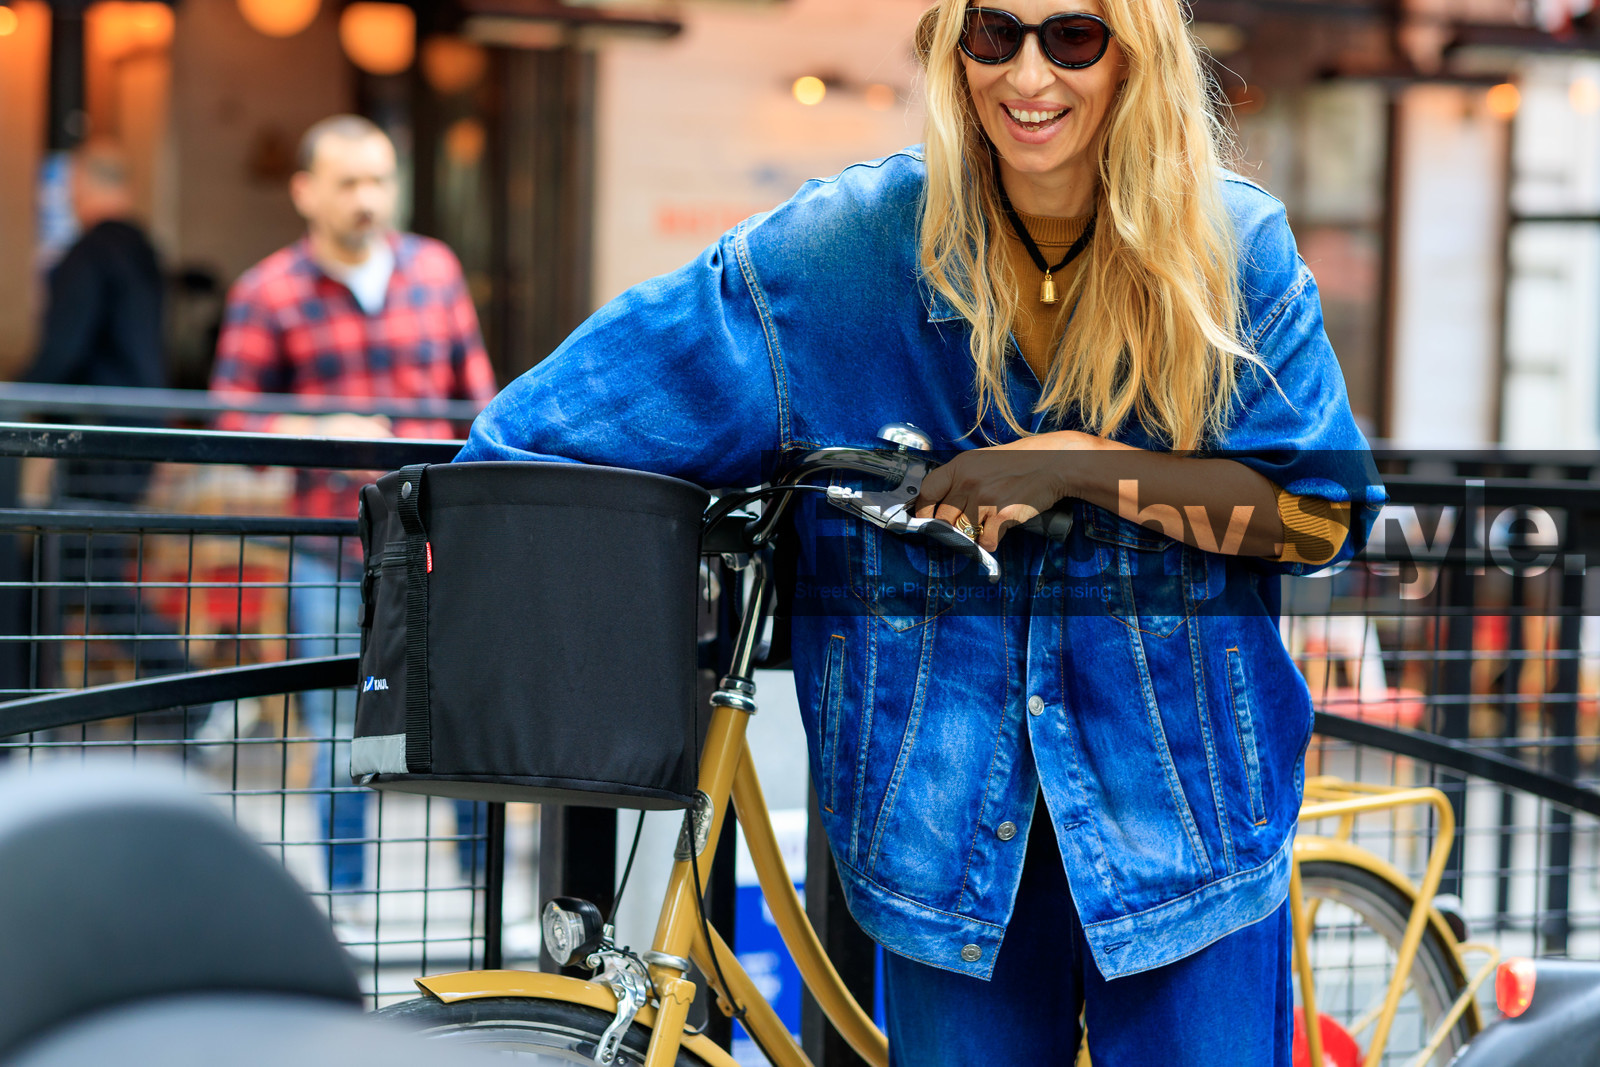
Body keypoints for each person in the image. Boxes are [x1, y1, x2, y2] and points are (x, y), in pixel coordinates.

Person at [457, 0, 1383, 1062]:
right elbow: (547, 429)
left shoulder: (1231, 244)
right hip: (941, 841)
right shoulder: (841, 251)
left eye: (1072, 37)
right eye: (996, 33)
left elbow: (1319, 517)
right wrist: (467, 564)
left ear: (1135, 55)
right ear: (954, 46)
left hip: (1187, 823)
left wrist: (1076, 464)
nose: (1027, 75)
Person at [210, 115, 497, 913]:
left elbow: (479, 399)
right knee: (344, 718)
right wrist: (321, 430)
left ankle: (483, 890)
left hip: (438, 537)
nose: (368, 198)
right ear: (305, 191)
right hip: (331, 545)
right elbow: (232, 421)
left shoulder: (435, 270)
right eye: (348, 182)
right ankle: (346, 901)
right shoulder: (268, 290)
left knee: (462, 706)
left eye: (379, 179)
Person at [25, 139, 165, 504]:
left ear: (81, 184)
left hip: (94, 433)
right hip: (144, 428)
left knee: (78, 534)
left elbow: (64, 348)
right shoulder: (146, 250)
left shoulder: (86, 255)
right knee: (113, 533)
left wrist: (21, 396)